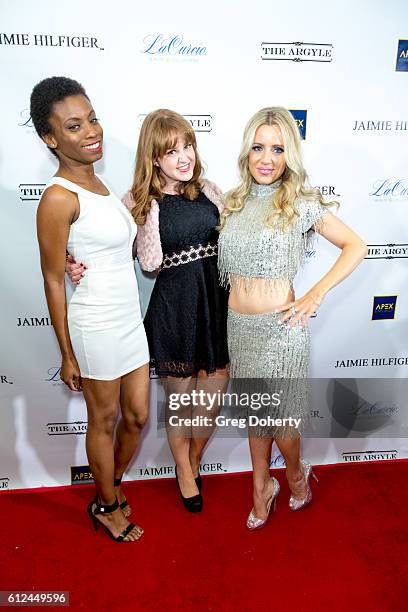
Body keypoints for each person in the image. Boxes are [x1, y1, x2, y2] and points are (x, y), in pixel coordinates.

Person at [68, 109, 229, 512]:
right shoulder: (137, 201)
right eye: (171, 151)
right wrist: (76, 262)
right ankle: (183, 468)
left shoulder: (209, 190)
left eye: (187, 146)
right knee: (180, 402)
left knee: (210, 401)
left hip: (215, 305)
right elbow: (115, 249)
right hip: (175, 309)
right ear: (154, 158)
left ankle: (192, 459)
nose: (183, 157)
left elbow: (235, 241)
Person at [218, 107, 367, 529]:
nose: (266, 158)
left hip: (281, 331)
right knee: (255, 413)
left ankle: (296, 472)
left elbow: (355, 245)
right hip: (239, 328)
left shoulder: (301, 203)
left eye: (278, 149)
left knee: (281, 420)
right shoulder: (233, 201)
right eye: (259, 147)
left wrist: (316, 292)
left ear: (290, 155)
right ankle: (260, 488)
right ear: (247, 151)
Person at [32, 76, 149, 542]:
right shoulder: (59, 197)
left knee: (137, 416)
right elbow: (52, 277)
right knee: (104, 419)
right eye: (74, 126)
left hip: (128, 319)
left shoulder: (99, 182)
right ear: (51, 138)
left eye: (93, 119)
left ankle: (110, 484)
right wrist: (66, 353)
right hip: (96, 323)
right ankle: (106, 503)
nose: (91, 132)